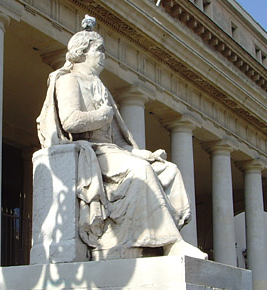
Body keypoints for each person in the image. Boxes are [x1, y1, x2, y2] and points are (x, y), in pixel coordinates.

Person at [36, 16, 207, 260]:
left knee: (168, 171)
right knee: (140, 171)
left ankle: (151, 244)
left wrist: (141, 153)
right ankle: (170, 243)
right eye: (99, 50)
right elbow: (70, 121)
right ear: (82, 52)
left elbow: (119, 140)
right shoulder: (68, 80)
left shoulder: (101, 87)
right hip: (92, 151)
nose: (104, 55)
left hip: (113, 152)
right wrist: (101, 115)